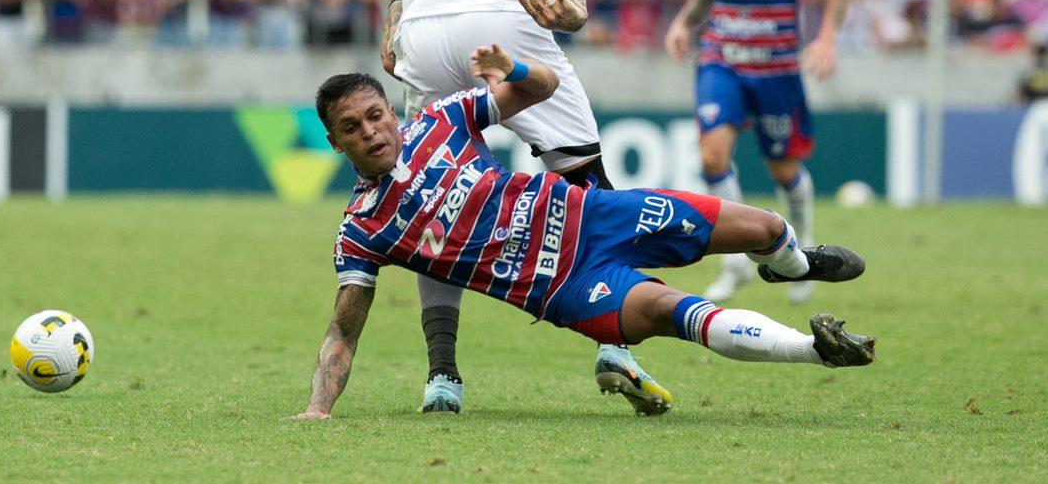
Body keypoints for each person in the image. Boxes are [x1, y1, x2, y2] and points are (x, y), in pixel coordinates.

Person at [294, 45, 875, 421]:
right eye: (352, 127)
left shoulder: (442, 120)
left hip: (596, 214)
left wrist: (513, 67)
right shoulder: (362, 230)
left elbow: (541, 86)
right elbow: (343, 331)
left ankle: (791, 265)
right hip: (566, 288)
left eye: (375, 116)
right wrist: (318, 410)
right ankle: (816, 349)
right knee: (675, 309)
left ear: (392, 114)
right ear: (335, 143)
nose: (370, 132)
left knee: (766, 226)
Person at [377, 0, 669, 415]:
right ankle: (616, 347)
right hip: (499, 22)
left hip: (422, 38)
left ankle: (442, 378)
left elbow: (394, 23)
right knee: (590, 185)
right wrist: (574, 2)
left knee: (434, 207)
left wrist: (403, 52)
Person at [663, 0, 852, 305]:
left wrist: (827, 37)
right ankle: (734, 263)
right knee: (711, 158)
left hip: (777, 66)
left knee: (784, 169)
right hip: (721, 58)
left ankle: (803, 256)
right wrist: (686, 20)